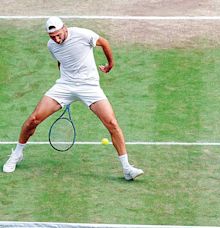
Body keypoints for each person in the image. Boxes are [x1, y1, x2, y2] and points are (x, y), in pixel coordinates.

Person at [2, 16, 144, 180]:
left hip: (89, 87)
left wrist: (110, 64)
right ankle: (17, 154)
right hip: (65, 86)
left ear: (65, 28)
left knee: (112, 123)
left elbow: (104, 42)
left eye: (58, 34)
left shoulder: (83, 34)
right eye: (52, 36)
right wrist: (66, 88)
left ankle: (127, 169)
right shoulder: (51, 46)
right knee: (33, 120)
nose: (56, 39)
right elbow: (61, 62)